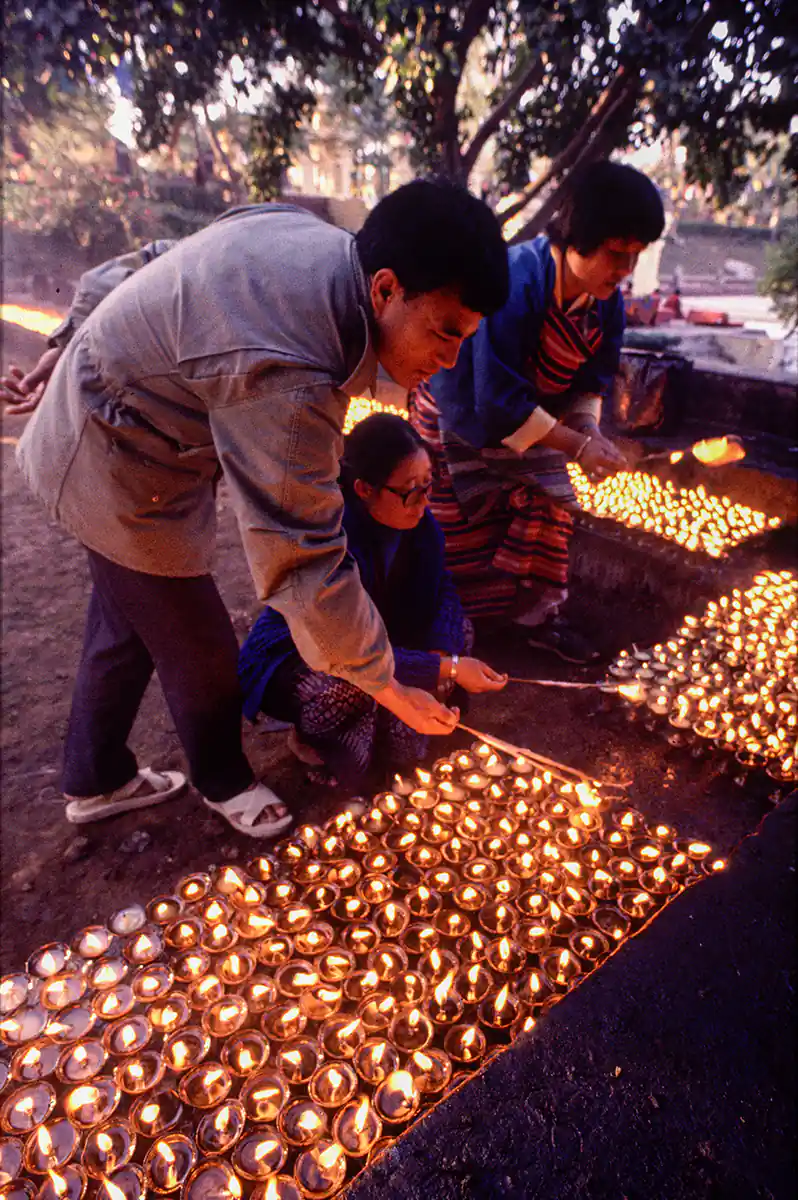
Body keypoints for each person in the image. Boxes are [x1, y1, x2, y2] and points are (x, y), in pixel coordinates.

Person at [13, 182, 510, 837]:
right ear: (386, 289)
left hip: (133, 431)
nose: (449, 360)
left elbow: (152, 259)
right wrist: (388, 686)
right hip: (113, 454)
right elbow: (302, 558)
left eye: (465, 339)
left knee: (128, 615)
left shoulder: (317, 246)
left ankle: (96, 776)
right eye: (444, 334)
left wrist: (67, 341)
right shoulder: (295, 376)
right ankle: (222, 778)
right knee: (201, 643)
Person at [411, 161, 665, 663]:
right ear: (578, 236)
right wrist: (577, 447)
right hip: (460, 417)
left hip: (531, 425)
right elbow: (495, 398)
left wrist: (589, 429)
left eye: (636, 256)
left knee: (549, 507)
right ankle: (446, 623)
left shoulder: (605, 300)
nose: (625, 270)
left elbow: (594, 377)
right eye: (616, 253)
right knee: (454, 529)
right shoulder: (513, 283)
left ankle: (533, 618)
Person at [239, 413, 507, 790]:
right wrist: (442, 668)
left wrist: (443, 654)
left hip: (380, 643)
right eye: (410, 489)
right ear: (364, 489)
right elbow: (345, 648)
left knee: (458, 632)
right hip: (306, 656)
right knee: (344, 690)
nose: (423, 501)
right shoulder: (330, 542)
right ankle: (321, 745)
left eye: (429, 484)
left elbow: (443, 586)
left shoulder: (421, 526)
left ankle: (396, 725)